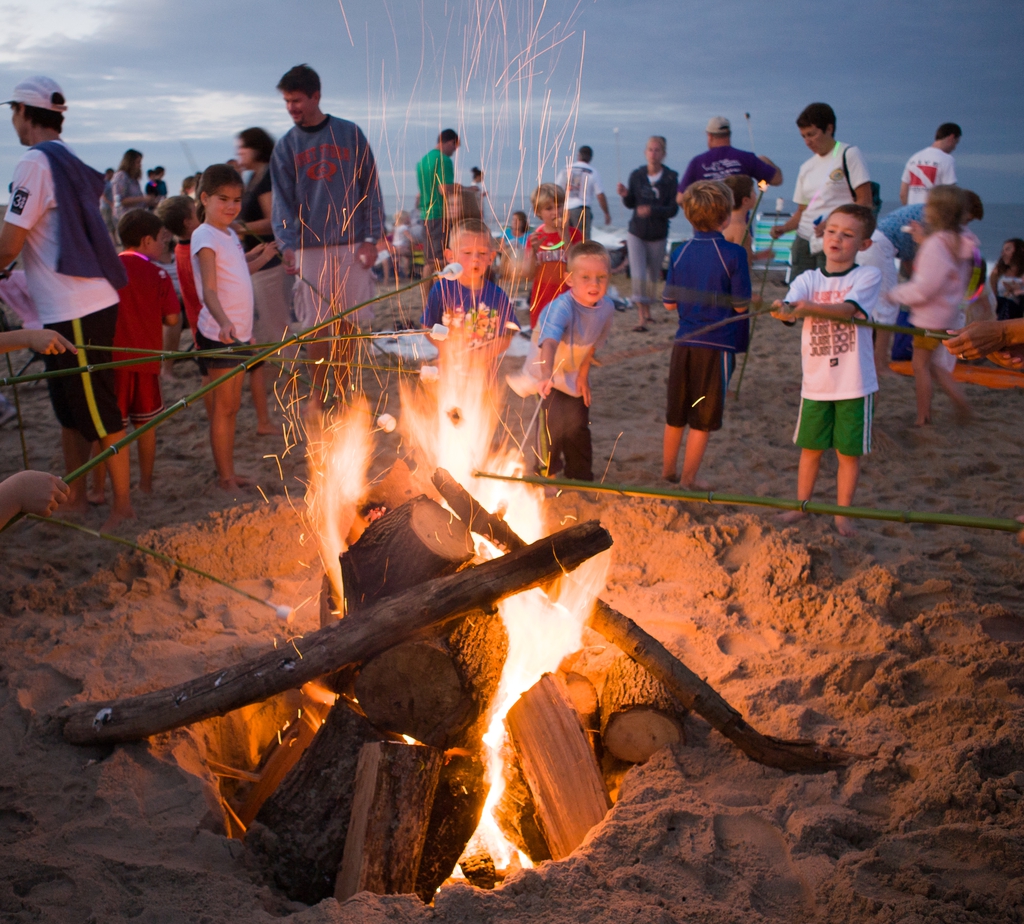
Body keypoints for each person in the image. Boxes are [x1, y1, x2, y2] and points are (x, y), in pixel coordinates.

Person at [0, 75, 134, 528]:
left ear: (24, 112)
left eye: (12, 111)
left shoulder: (34, 163)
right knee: (70, 410)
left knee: (97, 410)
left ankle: (121, 505)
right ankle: (76, 497)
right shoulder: (66, 157)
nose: (11, 120)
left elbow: (8, 244)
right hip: (75, 304)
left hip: (76, 307)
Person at [271, 64, 385, 409]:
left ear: (315, 96)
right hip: (309, 247)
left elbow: (371, 188)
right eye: (287, 101)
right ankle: (319, 393)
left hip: (351, 244)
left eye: (297, 100)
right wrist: (286, 245)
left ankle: (344, 384)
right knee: (317, 326)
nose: (291, 107)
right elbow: (283, 202)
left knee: (350, 322)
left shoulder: (349, 134)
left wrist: (372, 238)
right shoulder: (286, 146)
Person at [770, 204, 880, 537]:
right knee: (811, 449)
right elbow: (791, 307)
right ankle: (801, 506)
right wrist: (783, 310)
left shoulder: (866, 276)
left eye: (848, 235)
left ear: (863, 244)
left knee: (848, 453)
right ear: (821, 234)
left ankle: (842, 514)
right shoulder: (808, 278)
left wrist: (809, 308)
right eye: (832, 231)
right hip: (816, 384)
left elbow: (848, 310)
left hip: (853, 384)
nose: (837, 239)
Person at [191, 164, 278, 490]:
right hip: (220, 334)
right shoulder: (205, 235)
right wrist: (226, 322)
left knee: (232, 407)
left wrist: (262, 255)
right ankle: (226, 477)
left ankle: (228, 472)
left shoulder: (228, 233)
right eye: (222, 199)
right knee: (224, 410)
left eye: (237, 199)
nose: (231, 206)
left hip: (239, 332)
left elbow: (239, 273)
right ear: (204, 198)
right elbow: (210, 290)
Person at [661, 181, 750, 487]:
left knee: (676, 413)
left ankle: (668, 471)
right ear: (726, 217)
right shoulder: (734, 254)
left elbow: (669, 304)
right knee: (702, 418)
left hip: (683, 343)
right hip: (717, 345)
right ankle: (688, 480)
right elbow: (740, 307)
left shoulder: (679, 251)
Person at [523, 241, 615, 481]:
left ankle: (580, 474)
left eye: (601, 277)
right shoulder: (562, 308)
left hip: (573, 371)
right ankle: (547, 474)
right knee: (551, 425)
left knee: (577, 426)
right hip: (545, 369)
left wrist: (583, 376)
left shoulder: (607, 308)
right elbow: (550, 343)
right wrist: (545, 377)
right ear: (570, 280)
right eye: (586, 277)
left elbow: (593, 345)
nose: (594, 284)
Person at [886, 186, 975, 426]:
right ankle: (958, 399)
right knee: (933, 365)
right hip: (948, 312)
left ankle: (923, 416)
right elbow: (945, 270)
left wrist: (895, 294)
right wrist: (922, 239)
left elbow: (925, 287)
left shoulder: (937, 244)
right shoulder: (961, 240)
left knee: (920, 365)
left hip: (930, 316)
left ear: (935, 211)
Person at [110, 209, 180, 493]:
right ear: (147, 240)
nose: (165, 245)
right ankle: (146, 484)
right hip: (146, 361)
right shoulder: (159, 274)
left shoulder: (109, 269)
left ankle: (102, 488)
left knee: (111, 429)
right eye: (162, 239)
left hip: (111, 363)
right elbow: (173, 319)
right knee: (145, 425)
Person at [769, 103, 872, 278]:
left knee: (828, 292)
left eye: (812, 134)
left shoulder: (848, 154)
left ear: (829, 129)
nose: (808, 141)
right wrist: (784, 228)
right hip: (804, 239)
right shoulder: (806, 167)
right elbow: (802, 210)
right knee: (797, 293)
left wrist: (832, 224)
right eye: (803, 136)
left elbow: (864, 201)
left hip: (834, 239)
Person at [235, 126, 291, 435]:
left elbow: (274, 222)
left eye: (242, 148)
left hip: (268, 262)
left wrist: (239, 226)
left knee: (275, 328)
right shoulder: (251, 178)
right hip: (254, 263)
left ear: (256, 148)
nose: (238, 154)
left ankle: (292, 384)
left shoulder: (267, 176)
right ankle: (274, 382)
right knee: (266, 328)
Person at [420, 219, 515, 367]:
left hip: (484, 376)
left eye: (482, 253)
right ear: (450, 256)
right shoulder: (441, 290)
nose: (476, 258)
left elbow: (506, 336)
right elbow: (427, 326)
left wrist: (481, 356)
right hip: (450, 371)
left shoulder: (498, 296)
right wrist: (447, 349)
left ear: (491, 257)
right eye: (467, 252)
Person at [616, 136, 679, 331]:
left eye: (657, 150)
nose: (653, 153)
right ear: (645, 153)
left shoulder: (670, 178)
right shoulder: (637, 175)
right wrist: (626, 195)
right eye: (650, 150)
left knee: (652, 276)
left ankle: (649, 313)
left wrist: (652, 210)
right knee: (638, 274)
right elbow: (631, 203)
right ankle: (641, 317)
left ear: (663, 154)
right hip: (637, 232)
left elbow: (673, 210)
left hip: (658, 234)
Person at [522, 183, 582, 328]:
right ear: (538, 212)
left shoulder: (575, 234)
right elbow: (528, 275)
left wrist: (565, 236)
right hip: (542, 302)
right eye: (549, 208)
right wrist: (533, 253)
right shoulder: (535, 238)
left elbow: (579, 268)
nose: (556, 212)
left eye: (559, 206)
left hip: (570, 302)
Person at [677, 116, 782, 191]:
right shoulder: (746, 158)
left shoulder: (697, 162)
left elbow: (680, 198)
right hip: (739, 221)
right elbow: (777, 179)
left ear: (709, 136)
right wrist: (764, 160)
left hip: (706, 221)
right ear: (729, 134)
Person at [416, 129, 460, 274]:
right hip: (440, 215)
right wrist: (466, 189)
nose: (454, 151)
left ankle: (428, 295)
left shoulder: (423, 161)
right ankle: (439, 295)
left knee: (430, 260)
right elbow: (444, 189)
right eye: (455, 146)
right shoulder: (443, 160)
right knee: (443, 260)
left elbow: (421, 193)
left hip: (426, 215)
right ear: (449, 142)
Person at [556, 145, 611, 240]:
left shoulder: (565, 169)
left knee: (563, 240)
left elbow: (556, 189)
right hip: (582, 210)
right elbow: (600, 195)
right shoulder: (592, 172)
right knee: (582, 241)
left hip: (563, 209)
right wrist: (606, 213)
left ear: (578, 155)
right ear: (591, 157)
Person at [722, 174, 776, 267]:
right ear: (745, 200)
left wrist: (758, 256)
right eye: (753, 191)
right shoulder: (740, 228)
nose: (755, 194)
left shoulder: (723, 222)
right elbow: (740, 264)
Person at [900, 123, 961, 206]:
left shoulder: (913, 158)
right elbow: (951, 194)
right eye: (956, 143)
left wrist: (909, 211)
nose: (954, 147)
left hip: (912, 214)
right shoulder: (947, 159)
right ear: (951, 138)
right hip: (933, 215)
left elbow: (903, 194)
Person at [111, 149, 156, 221]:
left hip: (136, 217)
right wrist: (143, 198)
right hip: (124, 218)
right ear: (130, 163)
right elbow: (120, 201)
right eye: (138, 162)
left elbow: (137, 200)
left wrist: (149, 202)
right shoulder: (121, 176)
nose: (140, 165)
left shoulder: (134, 179)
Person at [989, 238, 1024, 321]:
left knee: (1010, 304)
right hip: (1001, 308)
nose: (1003, 253)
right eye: (1003, 250)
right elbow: (993, 297)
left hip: (1019, 309)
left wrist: (1016, 291)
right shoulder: (998, 272)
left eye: (1007, 249)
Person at [100, 167, 116, 238]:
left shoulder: (109, 183)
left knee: (112, 223)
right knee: (108, 223)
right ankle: (112, 240)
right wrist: (110, 203)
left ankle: (114, 240)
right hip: (106, 206)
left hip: (110, 206)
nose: (112, 176)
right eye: (112, 174)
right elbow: (103, 195)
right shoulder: (105, 183)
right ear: (108, 174)